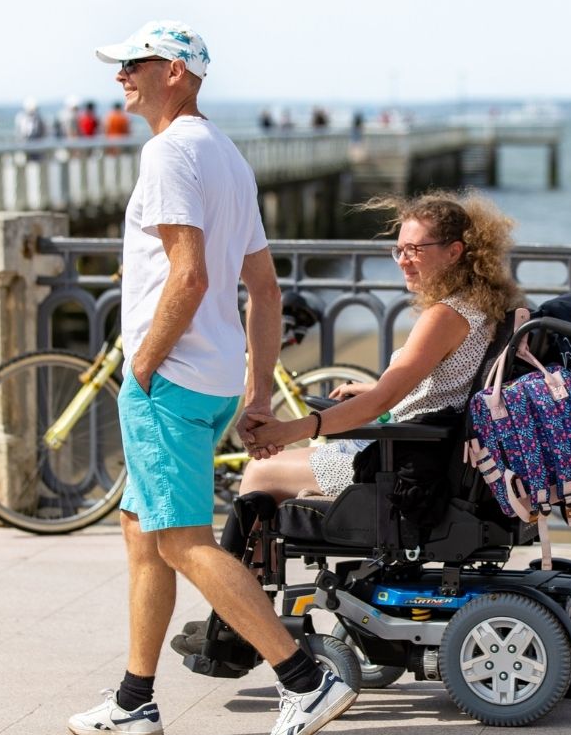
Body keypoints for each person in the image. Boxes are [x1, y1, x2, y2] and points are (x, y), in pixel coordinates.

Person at [67, 20, 356, 735]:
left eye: (132, 65)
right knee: (144, 535)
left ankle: (302, 678)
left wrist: (143, 363)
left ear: (173, 71)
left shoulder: (168, 152)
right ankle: (136, 701)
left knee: (183, 542)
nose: (120, 77)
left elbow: (192, 275)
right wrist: (258, 394)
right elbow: (262, 285)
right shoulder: (225, 154)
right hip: (215, 378)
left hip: (169, 380)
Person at [172, 191, 524, 654]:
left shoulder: (446, 314)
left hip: (408, 469)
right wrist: (379, 398)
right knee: (297, 464)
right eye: (399, 249)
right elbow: (444, 388)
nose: (404, 260)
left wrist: (291, 429)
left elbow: (386, 395)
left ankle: (236, 627)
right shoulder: (483, 307)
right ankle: (240, 618)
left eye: (415, 250)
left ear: (455, 251)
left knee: (259, 473)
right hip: (428, 452)